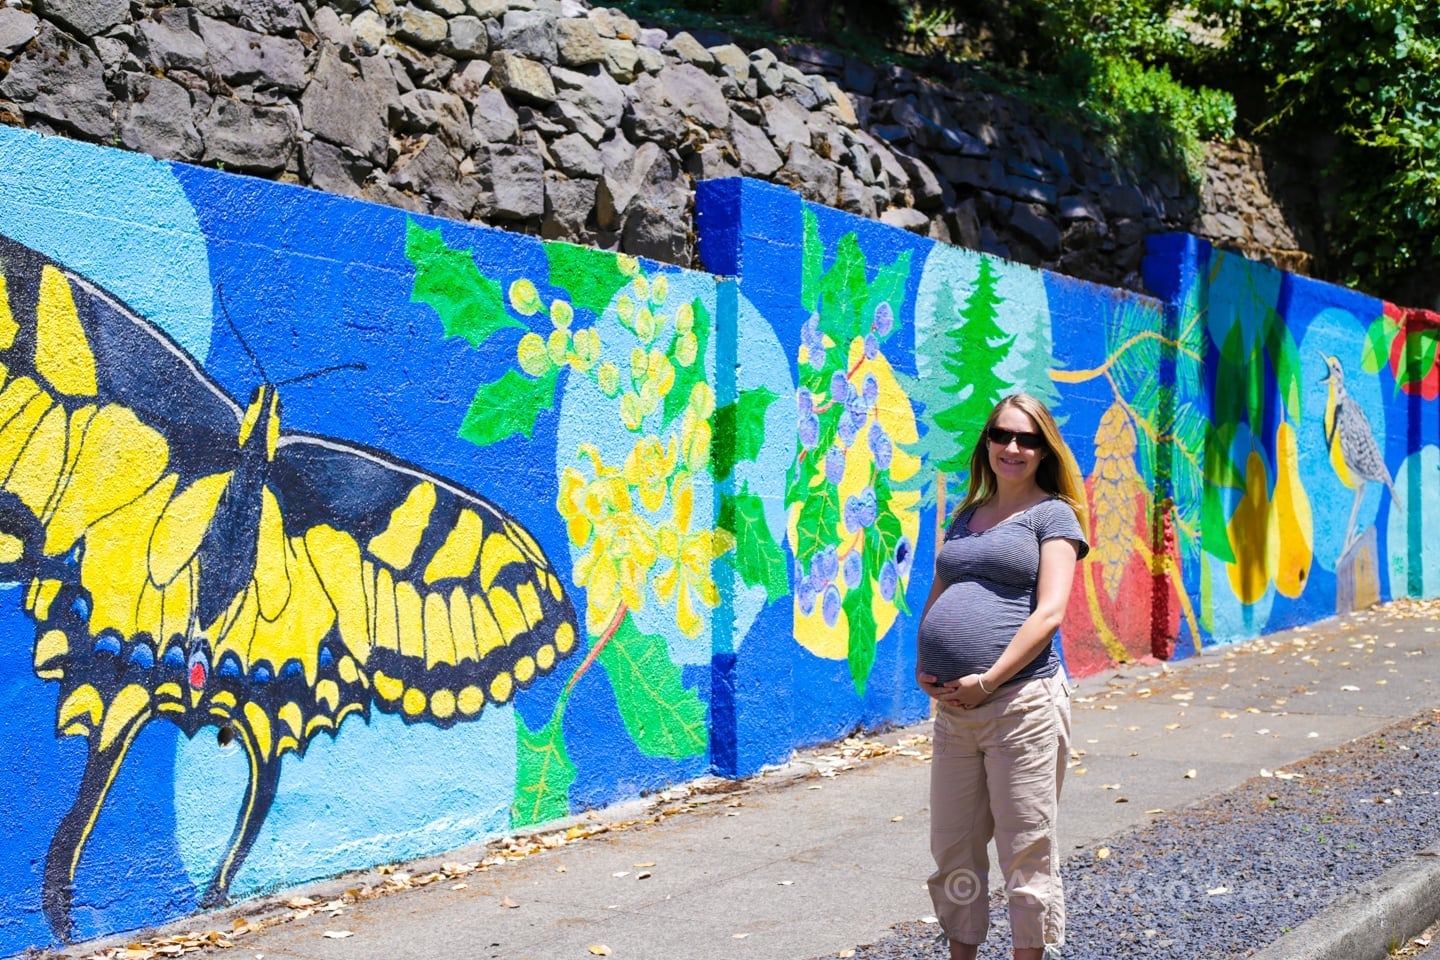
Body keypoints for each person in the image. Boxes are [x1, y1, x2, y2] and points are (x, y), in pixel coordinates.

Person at [915, 393, 1089, 960]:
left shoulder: (1053, 515)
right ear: (986, 442)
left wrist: (987, 680)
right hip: (955, 713)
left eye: (1027, 439)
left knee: (1026, 852)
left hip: (1021, 706)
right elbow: (940, 591)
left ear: (1044, 450)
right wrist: (926, 660)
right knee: (954, 849)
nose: (1012, 448)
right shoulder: (966, 516)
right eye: (1001, 435)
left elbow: (1050, 612)